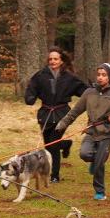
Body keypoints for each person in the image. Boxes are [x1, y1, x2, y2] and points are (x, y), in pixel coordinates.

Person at [56, 63, 110, 201]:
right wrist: (62, 124)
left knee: (100, 163)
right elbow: (75, 111)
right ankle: (94, 162)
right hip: (91, 131)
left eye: (104, 75)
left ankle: (100, 191)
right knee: (84, 153)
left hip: (106, 134)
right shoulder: (89, 93)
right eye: (98, 74)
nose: (100, 77)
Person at [24, 46, 88, 183]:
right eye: (50, 59)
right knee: (48, 145)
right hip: (45, 114)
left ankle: (54, 175)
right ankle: (65, 144)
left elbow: (84, 90)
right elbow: (31, 88)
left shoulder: (69, 77)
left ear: (61, 61)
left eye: (55, 59)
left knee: (53, 144)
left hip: (62, 114)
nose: (52, 61)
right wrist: (30, 98)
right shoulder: (40, 75)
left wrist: (96, 91)